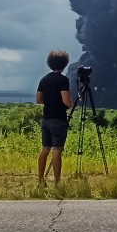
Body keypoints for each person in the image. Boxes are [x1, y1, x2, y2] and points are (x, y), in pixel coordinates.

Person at [36, 50, 73, 186]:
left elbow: (39, 100)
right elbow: (67, 102)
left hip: (45, 120)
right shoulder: (63, 80)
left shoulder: (44, 79)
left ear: (50, 63)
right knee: (57, 151)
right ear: (64, 64)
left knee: (45, 150)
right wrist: (71, 103)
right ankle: (57, 182)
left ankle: (41, 180)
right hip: (58, 120)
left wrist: (50, 100)